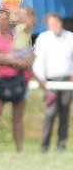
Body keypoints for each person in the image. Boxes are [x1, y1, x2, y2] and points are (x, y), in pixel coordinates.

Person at [0, 8, 33, 152]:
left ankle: (20, 150)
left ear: (9, 20)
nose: (2, 22)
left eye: (4, 18)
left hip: (19, 79)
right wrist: (16, 61)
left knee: (18, 118)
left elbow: (27, 57)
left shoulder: (18, 35)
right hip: (0, 79)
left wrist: (9, 59)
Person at [30, 12, 73, 152]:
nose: (57, 26)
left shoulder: (70, 37)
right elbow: (38, 61)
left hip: (67, 80)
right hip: (50, 81)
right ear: (48, 25)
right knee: (50, 112)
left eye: (58, 22)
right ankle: (44, 145)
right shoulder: (43, 39)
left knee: (64, 113)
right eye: (53, 24)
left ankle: (61, 145)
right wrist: (41, 79)